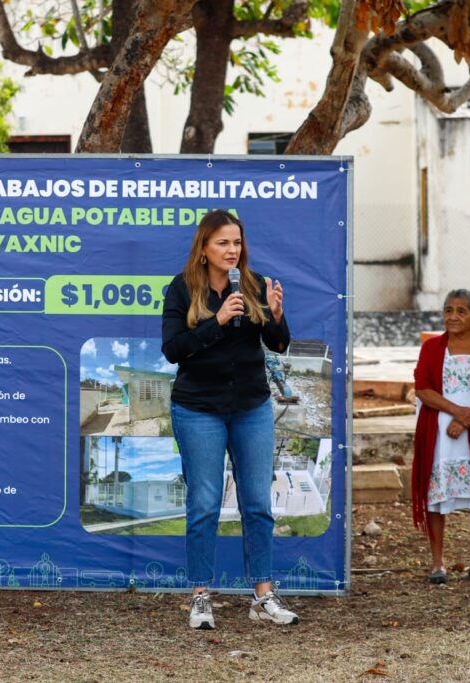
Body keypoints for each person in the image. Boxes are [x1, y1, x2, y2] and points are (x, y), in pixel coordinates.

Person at [161, 209, 297, 629]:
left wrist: (275, 315)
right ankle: (201, 596)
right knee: (203, 504)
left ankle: (263, 595)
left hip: (251, 408)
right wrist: (216, 322)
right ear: (204, 248)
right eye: (223, 243)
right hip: (199, 408)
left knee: (257, 503)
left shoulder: (252, 285)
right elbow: (173, 349)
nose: (231, 250)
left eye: (237, 242)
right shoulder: (182, 290)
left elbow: (278, 343)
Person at [412, 289, 470, 584]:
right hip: (439, 434)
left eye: (461, 311)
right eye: (448, 310)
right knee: (437, 496)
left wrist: (467, 420)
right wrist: (457, 412)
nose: (453, 316)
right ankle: (437, 563)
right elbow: (422, 388)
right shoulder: (433, 347)